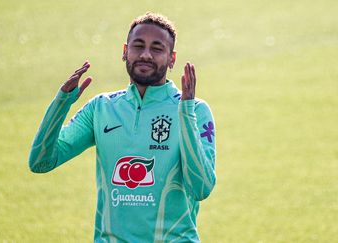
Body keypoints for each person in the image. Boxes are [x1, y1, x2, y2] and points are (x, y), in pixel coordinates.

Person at [29, 12, 216, 242]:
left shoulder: (195, 110)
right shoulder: (101, 108)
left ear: (172, 59)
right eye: (138, 46)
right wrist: (61, 103)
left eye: (157, 48)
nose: (146, 55)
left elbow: (201, 188)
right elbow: (40, 162)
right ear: (125, 51)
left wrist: (185, 112)